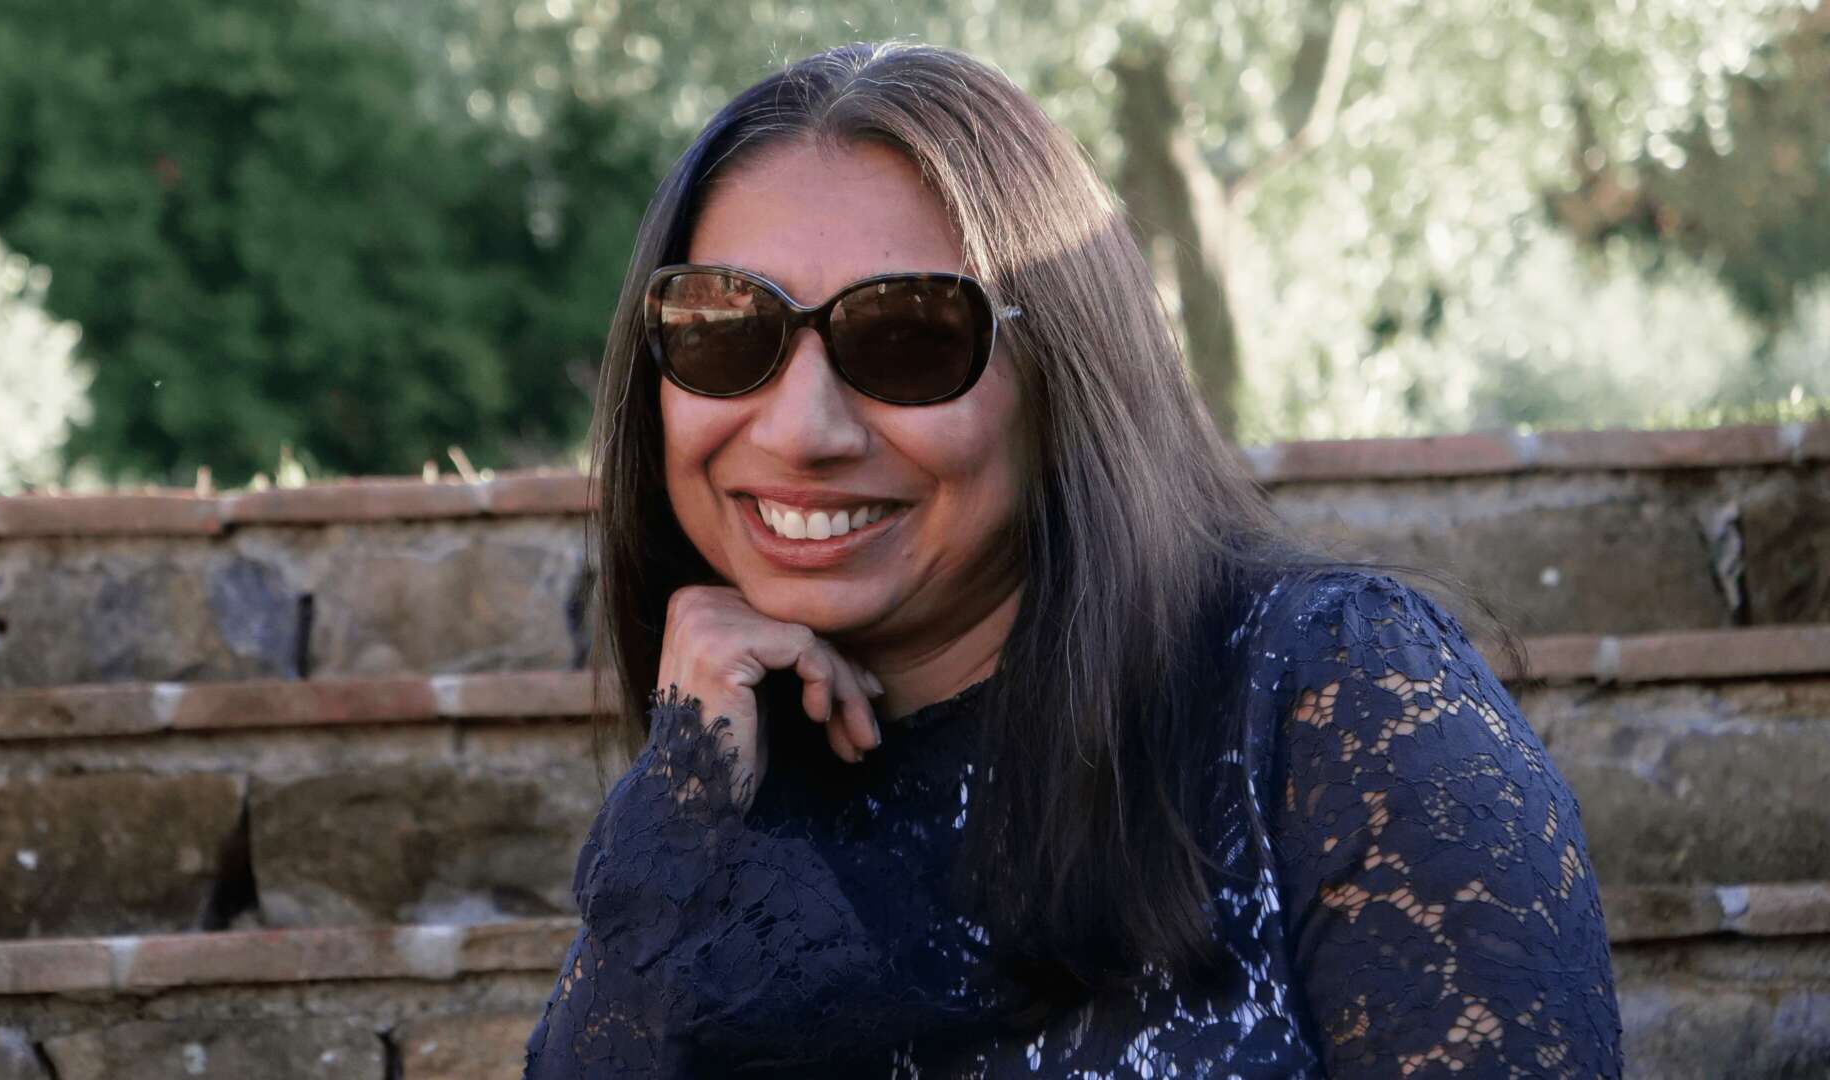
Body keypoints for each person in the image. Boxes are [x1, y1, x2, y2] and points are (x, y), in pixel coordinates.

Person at [522, 40, 1622, 1078]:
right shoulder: (714, 787)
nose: (803, 430)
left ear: (1064, 376)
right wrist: (687, 797)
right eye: (726, 331)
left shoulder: (1330, 700)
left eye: (908, 337)